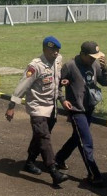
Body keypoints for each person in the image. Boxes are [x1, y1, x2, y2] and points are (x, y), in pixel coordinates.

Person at [5, 36, 69, 187]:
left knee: (39, 136)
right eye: (53, 50)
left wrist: (61, 97)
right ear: (45, 49)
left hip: (51, 106)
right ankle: (54, 171)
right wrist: (11, 106)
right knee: (44, 136)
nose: (56, 53)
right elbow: (22, 85)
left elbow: (56, 81)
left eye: (58, 50)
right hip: (37, 106)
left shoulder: (58, 60)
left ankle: (29, 162)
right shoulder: (35, 66)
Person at [54, 41, 107, 186]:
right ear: (83, 54)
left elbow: (106, 83)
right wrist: (62, 100)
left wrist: (105, 69)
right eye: (91, 57)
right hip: (76, 110)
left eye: (96, 57)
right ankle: (94, 174)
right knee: (86, 141)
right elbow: (57, 85)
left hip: (89, 108)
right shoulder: (70, 66)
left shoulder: (95, 65)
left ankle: (59, 159)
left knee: (77, 137)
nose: (94, 59)